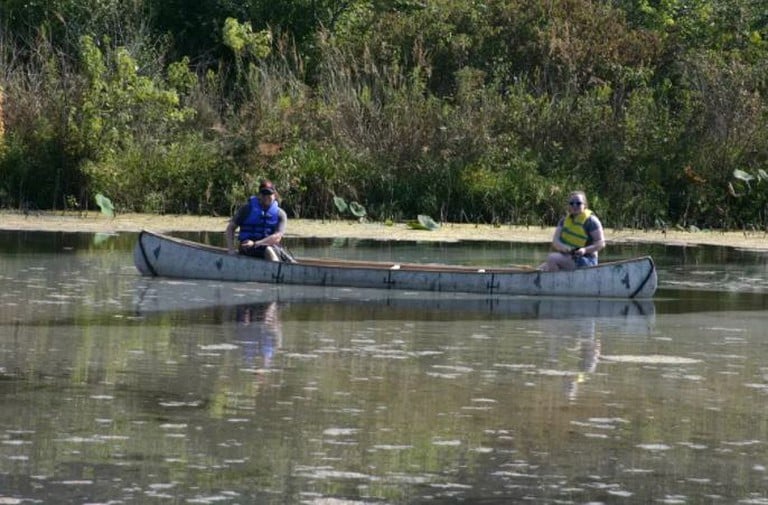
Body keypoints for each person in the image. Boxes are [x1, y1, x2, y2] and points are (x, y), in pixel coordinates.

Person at [539, 191, 605, 272]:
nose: (574, 205)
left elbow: (600, 244)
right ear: (568, 206)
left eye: (578, 203)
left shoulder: (591, 221)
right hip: (568, 257)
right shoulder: (564, 221)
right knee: (541, 268)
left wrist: (584, 250)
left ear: (585, 205)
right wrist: (566, 249)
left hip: (587, 260)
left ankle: (560, 283)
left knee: (552, 258)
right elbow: (555, 241)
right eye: (571, 203)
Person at [226, 179, 289, 261]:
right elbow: (230, 228)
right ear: (259, 195)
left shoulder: (280, 214)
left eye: (269, 193)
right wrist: (231, 250)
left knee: (285, 256)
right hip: (247, 246)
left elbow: (277, 237)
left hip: (267, 246)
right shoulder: (246, 209)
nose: (266, 197)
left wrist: (255, 243)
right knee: (268, 250)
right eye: (263, 194)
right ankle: (275, 272)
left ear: (274, 195)